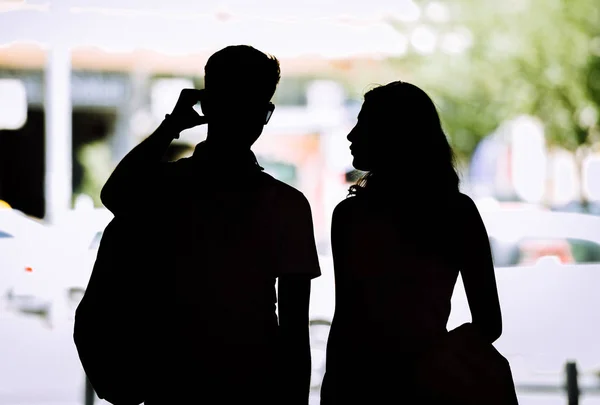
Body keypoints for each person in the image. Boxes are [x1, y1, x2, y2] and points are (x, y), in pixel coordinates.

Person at [100, 45, 321, 405]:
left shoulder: (167, 188)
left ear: (206, 106)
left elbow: (115, 195)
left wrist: (171, 125)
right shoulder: (288, 205)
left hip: (171, 382)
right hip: (253, 386)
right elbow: (294, 330)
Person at [320, 81, 503, 404]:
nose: (352, 135)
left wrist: (334, 387)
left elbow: (347, 319)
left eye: (364, 123)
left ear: (393, 134)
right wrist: (431, 357)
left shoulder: (350, 216)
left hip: (360, 384)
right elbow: (488, 324)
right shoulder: (457, 213)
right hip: (431, 387)